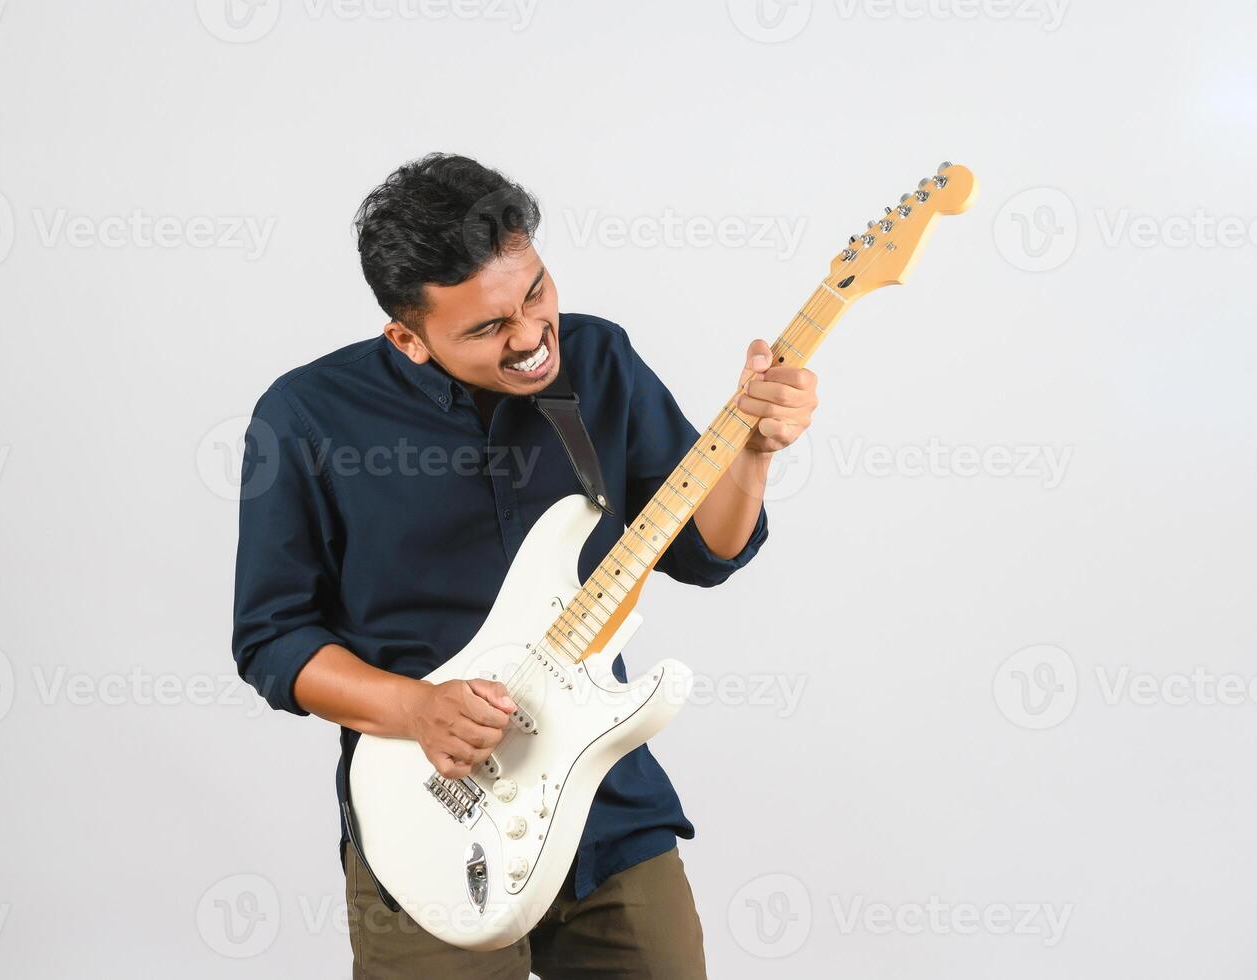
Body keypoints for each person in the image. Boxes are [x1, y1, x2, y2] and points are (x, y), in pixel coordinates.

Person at [231, 153, 817, 978]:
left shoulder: (598, 359)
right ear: (408, 336)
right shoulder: (305, 416)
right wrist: (414, 708)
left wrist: (752, 452)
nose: (532, 338)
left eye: (535, 293)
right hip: (431, 819)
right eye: (485, 329)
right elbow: (271, 639)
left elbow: (703, 550)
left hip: (606, 808)